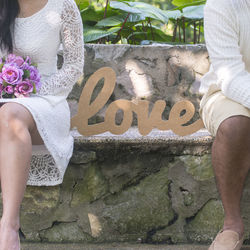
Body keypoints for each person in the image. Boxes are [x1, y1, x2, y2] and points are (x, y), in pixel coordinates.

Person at [0, 0, 84, 249]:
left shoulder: (63, 5)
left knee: (9, 117)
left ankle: (9, 226)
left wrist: (29, 90)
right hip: (4, 98)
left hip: (45, 101)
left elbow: (73, 66)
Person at [199, 0, 250, 249]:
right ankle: (232, 226)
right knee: (235, 125)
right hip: (227, 92)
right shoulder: (221, 4)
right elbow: (230, 75)